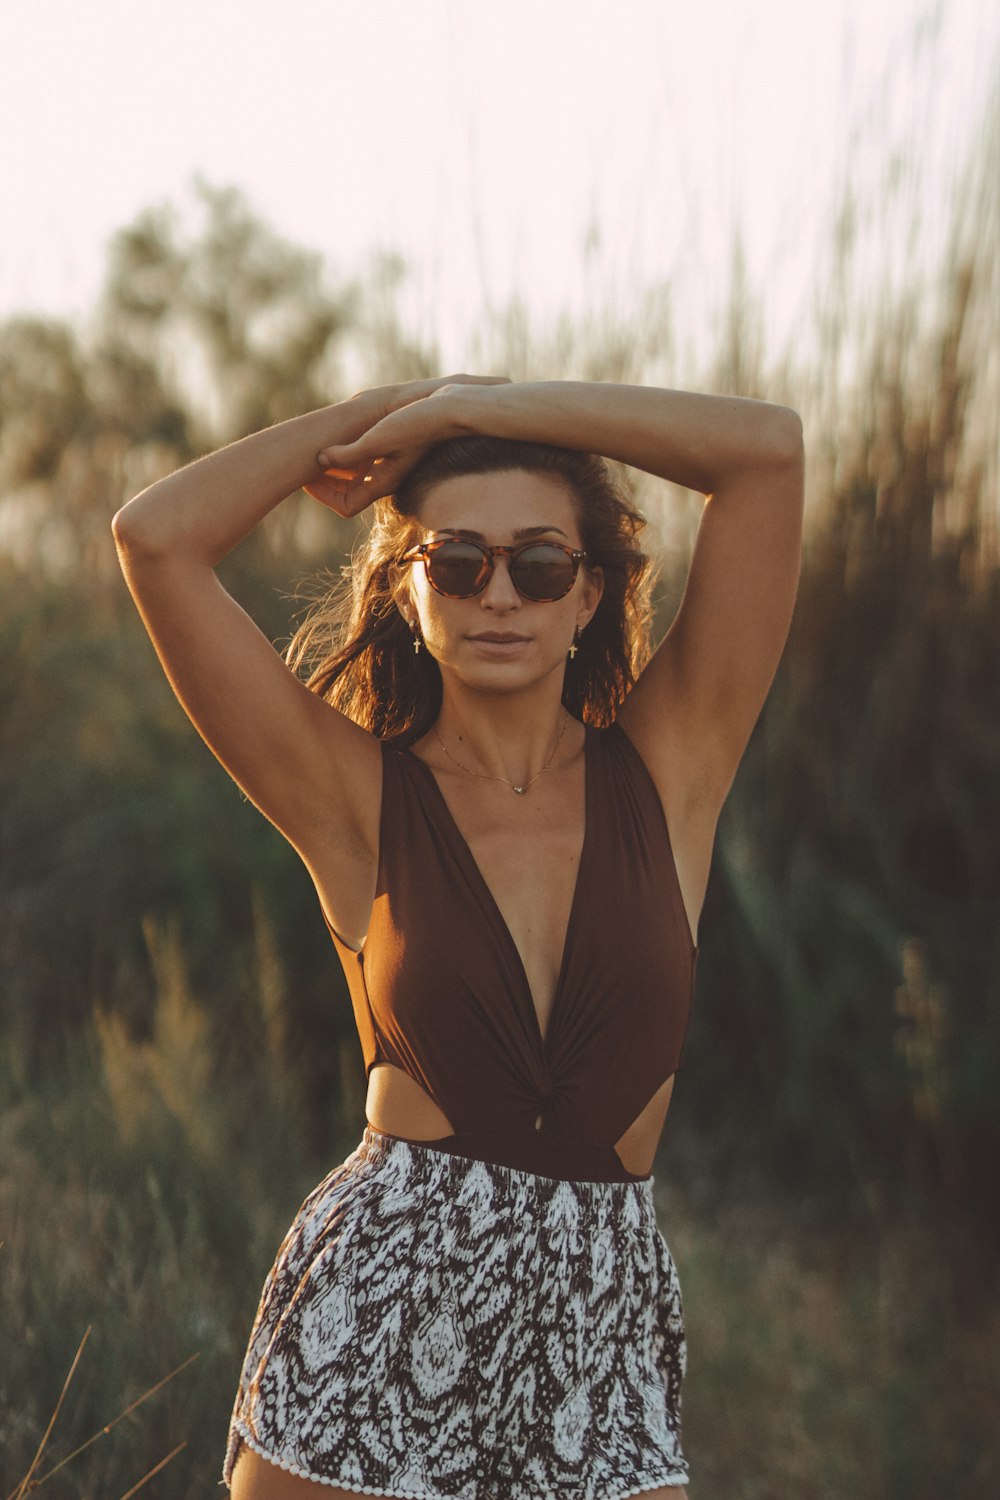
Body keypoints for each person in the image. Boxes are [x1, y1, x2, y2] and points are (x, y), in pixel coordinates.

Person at [112, 374, 804, 1499]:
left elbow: (766, 452)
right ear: (407, 592)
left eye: (540, 565)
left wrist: (477, 403)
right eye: (457, 563)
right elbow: (155, 539)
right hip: (381, 1304)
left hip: (598, 1318)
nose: (500, 597)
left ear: (587, 599)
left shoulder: (673, 772)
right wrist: (383, 412)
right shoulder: (350, 799)